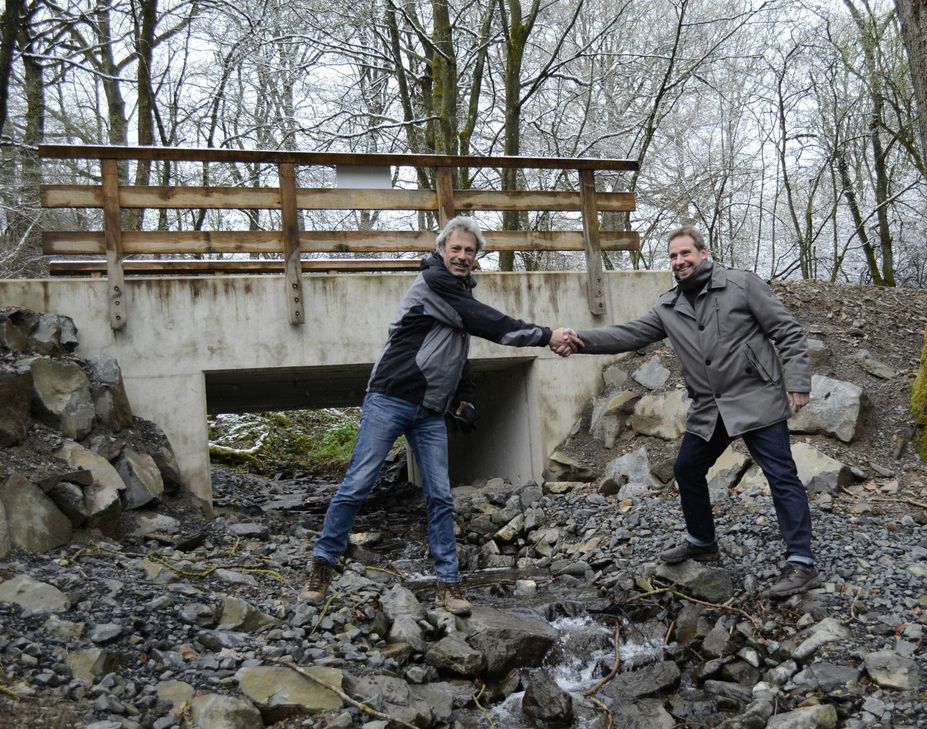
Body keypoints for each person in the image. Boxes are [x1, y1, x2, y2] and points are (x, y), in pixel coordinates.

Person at [298, 216, 577, 614]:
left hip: (430, 409)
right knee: (357, 484)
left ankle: (448, 585)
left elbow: (454, 349)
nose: (462, 256)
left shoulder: (457, 293)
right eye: (456, 249)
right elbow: (488, 324)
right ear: (441, 251)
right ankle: (322, 567)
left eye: (469, 251)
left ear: (476, 258)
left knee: (440, 496)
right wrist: (546, 335)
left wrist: (462, 397)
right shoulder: (434, 283)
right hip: (390, 397)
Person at [555, 226, 820, 599]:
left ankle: (800, 562)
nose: (679, 262)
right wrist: (580, 340)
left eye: (685, 254)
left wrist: (798, 382)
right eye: (673, 256)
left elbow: (787, 331)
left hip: (755, 396)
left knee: (781, 476)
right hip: (711, 406)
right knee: (686, 469)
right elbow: (629, 334)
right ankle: (701, 540)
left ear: (703, 252)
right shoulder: (668, 306)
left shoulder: (742, 284)